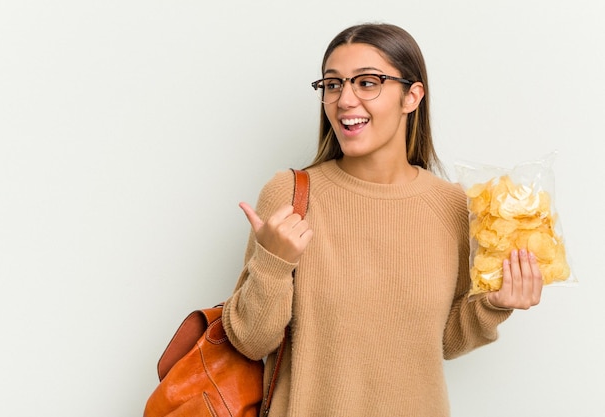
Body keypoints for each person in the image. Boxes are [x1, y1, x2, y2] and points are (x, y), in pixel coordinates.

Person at [222, 23, 543, 417]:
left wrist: (493, 305)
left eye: (368, 83)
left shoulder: (454, 206)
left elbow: (443, 341)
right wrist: (273, 264)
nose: (344, 99)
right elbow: (251, 342)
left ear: (412, 96)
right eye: (334, 84)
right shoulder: (289, 194)